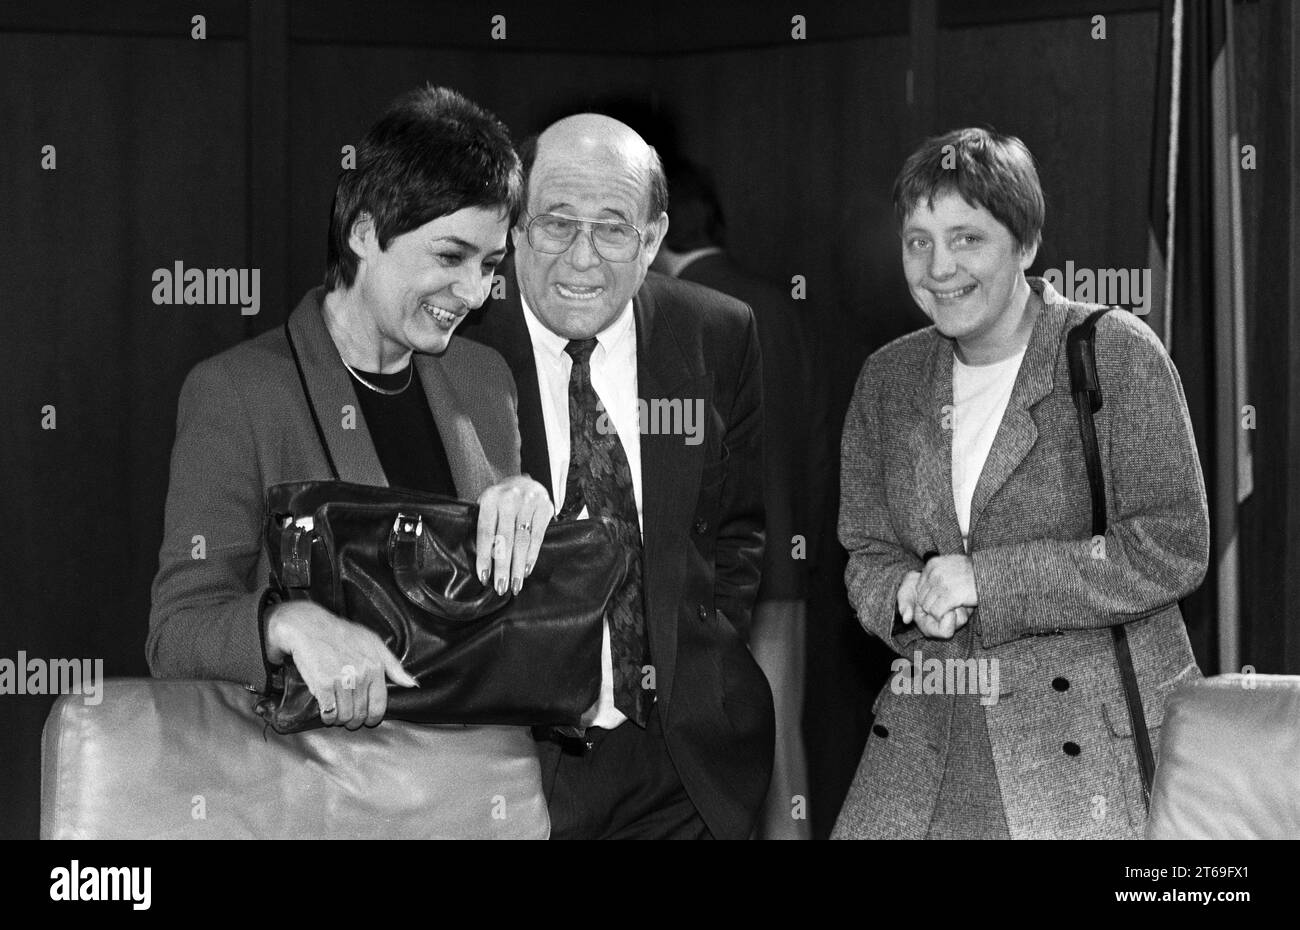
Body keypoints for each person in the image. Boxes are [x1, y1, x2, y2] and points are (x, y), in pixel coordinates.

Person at [833, 128, 1209, 839]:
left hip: (1086, 756)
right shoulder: (886, 379)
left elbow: (1172, 545)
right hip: (926, 744)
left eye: (967, 238)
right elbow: (867, 550)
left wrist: (987, 581)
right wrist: (905, 596)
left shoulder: (1113, 351)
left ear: (1026, 244)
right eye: (918, 241)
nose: (939, 267)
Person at [148, 85, 552, 734]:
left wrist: (533, 521)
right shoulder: (237, 392)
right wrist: (286, 622)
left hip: (475, 790)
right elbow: (177, 631)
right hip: (321, 800)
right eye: (450, 256)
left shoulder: (486, 379)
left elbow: (498, 619)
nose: (474, 292)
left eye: (490, 263)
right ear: (365, 232)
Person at [459, 114, 772, 840]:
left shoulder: (717, 334)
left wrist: (698, 663)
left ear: (654, 238)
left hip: (681, 766)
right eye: (556, 224)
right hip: (514, 765)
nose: (582, 258)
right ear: (514, 227)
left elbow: (737, 535)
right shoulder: (460, 341)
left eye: (613, 228)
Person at [652, 158, 827, 840]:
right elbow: (815, 437)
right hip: (789, 560)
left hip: (718, 572)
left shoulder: (683, 318)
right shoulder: (780, 302)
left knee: (721, 746)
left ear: (660, 234)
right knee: (783, 737)